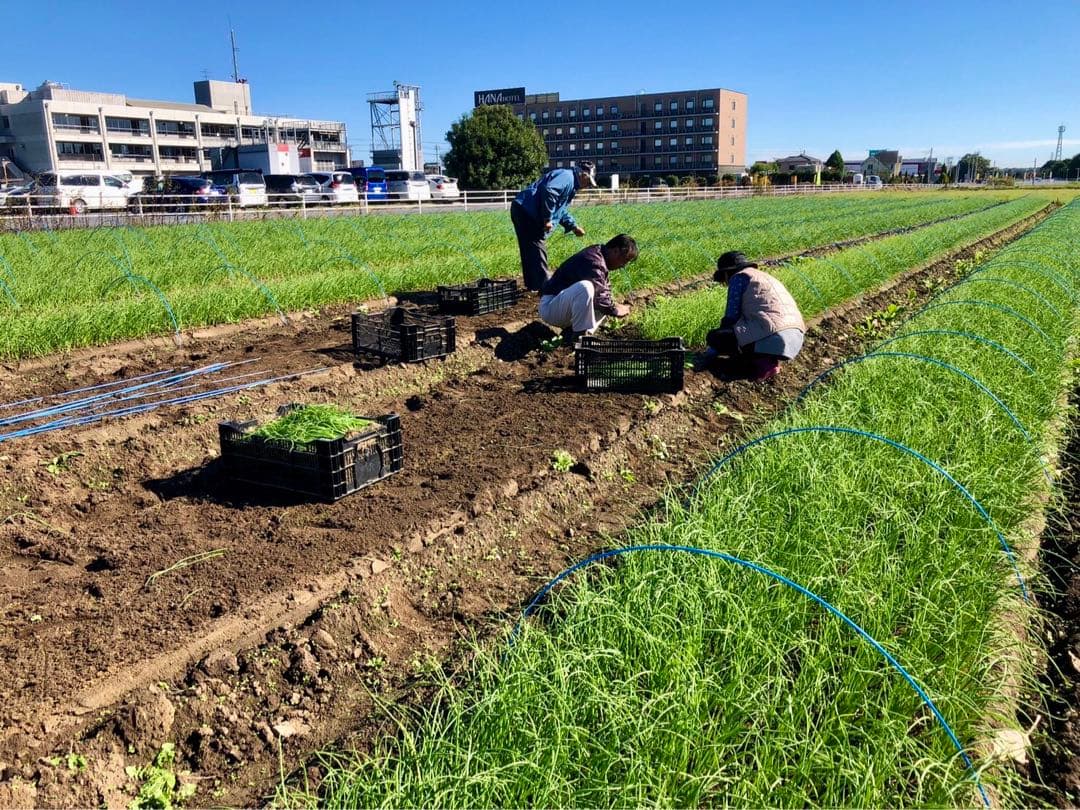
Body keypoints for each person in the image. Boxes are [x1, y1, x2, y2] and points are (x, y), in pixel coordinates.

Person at [697, 251, 806, 381]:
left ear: (727, 273)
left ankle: (762, 365)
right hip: (795, 337)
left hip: (774, 335)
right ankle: (766, 359)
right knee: (743, 334)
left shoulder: (739, 278)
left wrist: (712, 350)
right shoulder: (763, 276)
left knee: (717, 337)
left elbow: (731, 317)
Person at [511, 160, 598, 292]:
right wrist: (547, 218)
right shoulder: (567, 177)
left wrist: (573, 226)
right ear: (583, 175)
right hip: (527, 211)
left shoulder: (570, 185)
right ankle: (544, 286)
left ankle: (533, 285)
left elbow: (560, 210)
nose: (587, 186)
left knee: (530, 249)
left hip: (523, 208)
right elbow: (550, 191)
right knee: (537, 246)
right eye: (588, 182)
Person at [538, 234, 638, 343]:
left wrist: (612, 306)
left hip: (562, 307)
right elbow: (602, 300)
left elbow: (604, 296)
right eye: (625, 260)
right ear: (616, 251)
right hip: (551, 307)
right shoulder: (594, 261)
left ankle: (574, 334)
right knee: (586, 288)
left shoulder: (600, 256)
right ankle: (579, 337)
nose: (624, 265)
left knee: (603, 302)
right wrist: (616, 310)